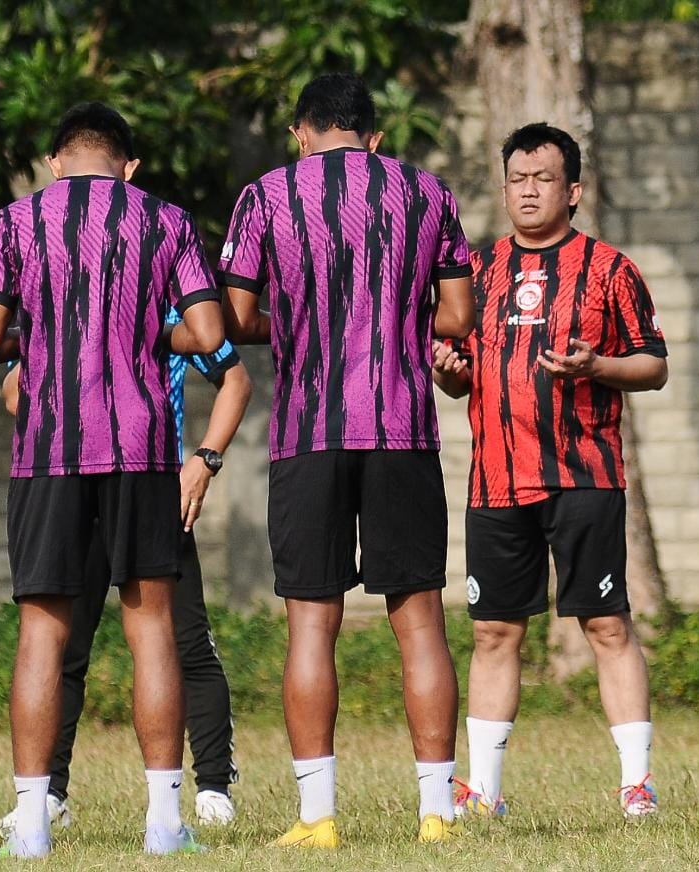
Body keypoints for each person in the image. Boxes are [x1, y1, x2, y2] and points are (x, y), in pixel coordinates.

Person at [219, 72, 474, 846]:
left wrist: (294, 321)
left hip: (307, 430)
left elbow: (234, 316)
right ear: (375, 135)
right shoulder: (425, 191)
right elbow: (458, 314)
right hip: (400, 427)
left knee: (310, 624)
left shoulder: (264, 197)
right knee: (420, 619)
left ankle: (317, 818)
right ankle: (436, 813)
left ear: (301, 132)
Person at [0, 102, 224, 858]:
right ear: (127, 164)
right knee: (151, 633)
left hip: (46, 449)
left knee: (42, 632)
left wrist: (43, 329)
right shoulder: (166, 220)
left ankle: (34, 827)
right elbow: (208, 334)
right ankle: (164, 824)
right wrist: (145, 327)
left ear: (55, 160)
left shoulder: (15, 222)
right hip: (142, 446)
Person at [433, 122, 668, 821]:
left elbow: (653, 365)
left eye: (543, 178)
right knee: (493, 632)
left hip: (584, 477)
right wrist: (451, 372)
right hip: (496, 481)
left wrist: (596, 366)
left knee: (606, 624)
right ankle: (485, 789)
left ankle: (636, 784)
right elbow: (458, 372)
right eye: (517, 179)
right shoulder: (474, 272)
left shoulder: (609, 270)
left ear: (573, 189)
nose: (528, 190)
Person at [0, 310, 249, 834]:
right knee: (63, 646)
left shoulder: (167, 311)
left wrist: (205, 459)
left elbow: (236, 380)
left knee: (186, 641)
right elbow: (14, 392)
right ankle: (49, 797)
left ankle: (213, 787)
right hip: (74, 486)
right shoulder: (60, 308)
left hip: (145, 485)